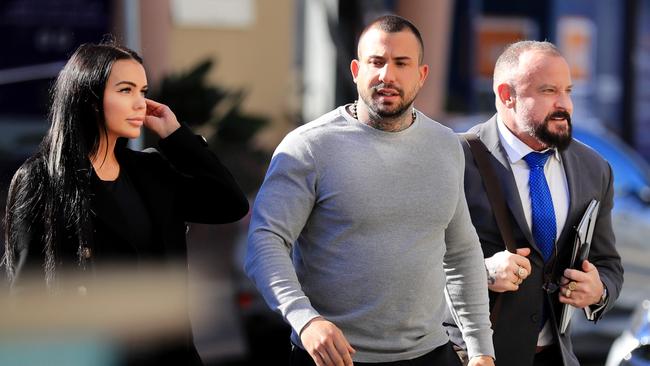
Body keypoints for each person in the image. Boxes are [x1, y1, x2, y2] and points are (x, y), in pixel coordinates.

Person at [245, 15, 495, 366]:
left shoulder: (446, 145)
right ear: (356, 70)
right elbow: (264, 241)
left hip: (431, 354)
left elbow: (461, 251)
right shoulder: (309, 146)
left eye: (401, 63)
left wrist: (481, 349)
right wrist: (305, 320)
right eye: (376, 62)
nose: (386, 76)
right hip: (333, 357)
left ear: (422, 75)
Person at [3, 42, 249, 365]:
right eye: (125, 90)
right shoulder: (41, 179)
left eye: (143, 91)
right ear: (88, 98)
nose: (140, 104)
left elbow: (229, 203)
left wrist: (176, 136)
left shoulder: (151, 171)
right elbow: (26, 296)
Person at [446, 41, 624, 365]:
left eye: (568, 90)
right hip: (472, 357)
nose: (565, 104)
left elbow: (609, 266)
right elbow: (413, 269)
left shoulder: (594, 169)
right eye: (548, 91)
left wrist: (597, 290)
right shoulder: (454, 161)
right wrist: (481, 273)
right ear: (506, 95)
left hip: (555, 356)